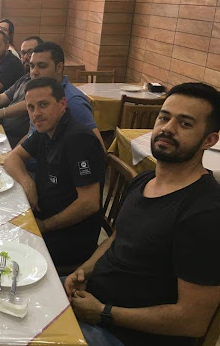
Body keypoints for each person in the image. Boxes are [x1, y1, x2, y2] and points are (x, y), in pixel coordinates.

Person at [64, 82, 220, 346]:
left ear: (209, 140)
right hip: (94, 302)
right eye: (164, 117)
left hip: (124, 334)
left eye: (185, 123)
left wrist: (103, 312)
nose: (167, 128)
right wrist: (83, 271)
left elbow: (193, 320)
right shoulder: (145, 180)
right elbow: (118, 238)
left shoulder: (205, 213)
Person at [4, 77, 104, 267]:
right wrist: (28, 182)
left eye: (43, 105)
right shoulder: (46, 130)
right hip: (43, 217)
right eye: (31, 107)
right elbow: (11, 158)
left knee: (0, 252)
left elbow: (89, 203)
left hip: (68, 239)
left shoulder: (79, 140)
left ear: (62, 104)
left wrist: (44, 226)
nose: (36, 114)